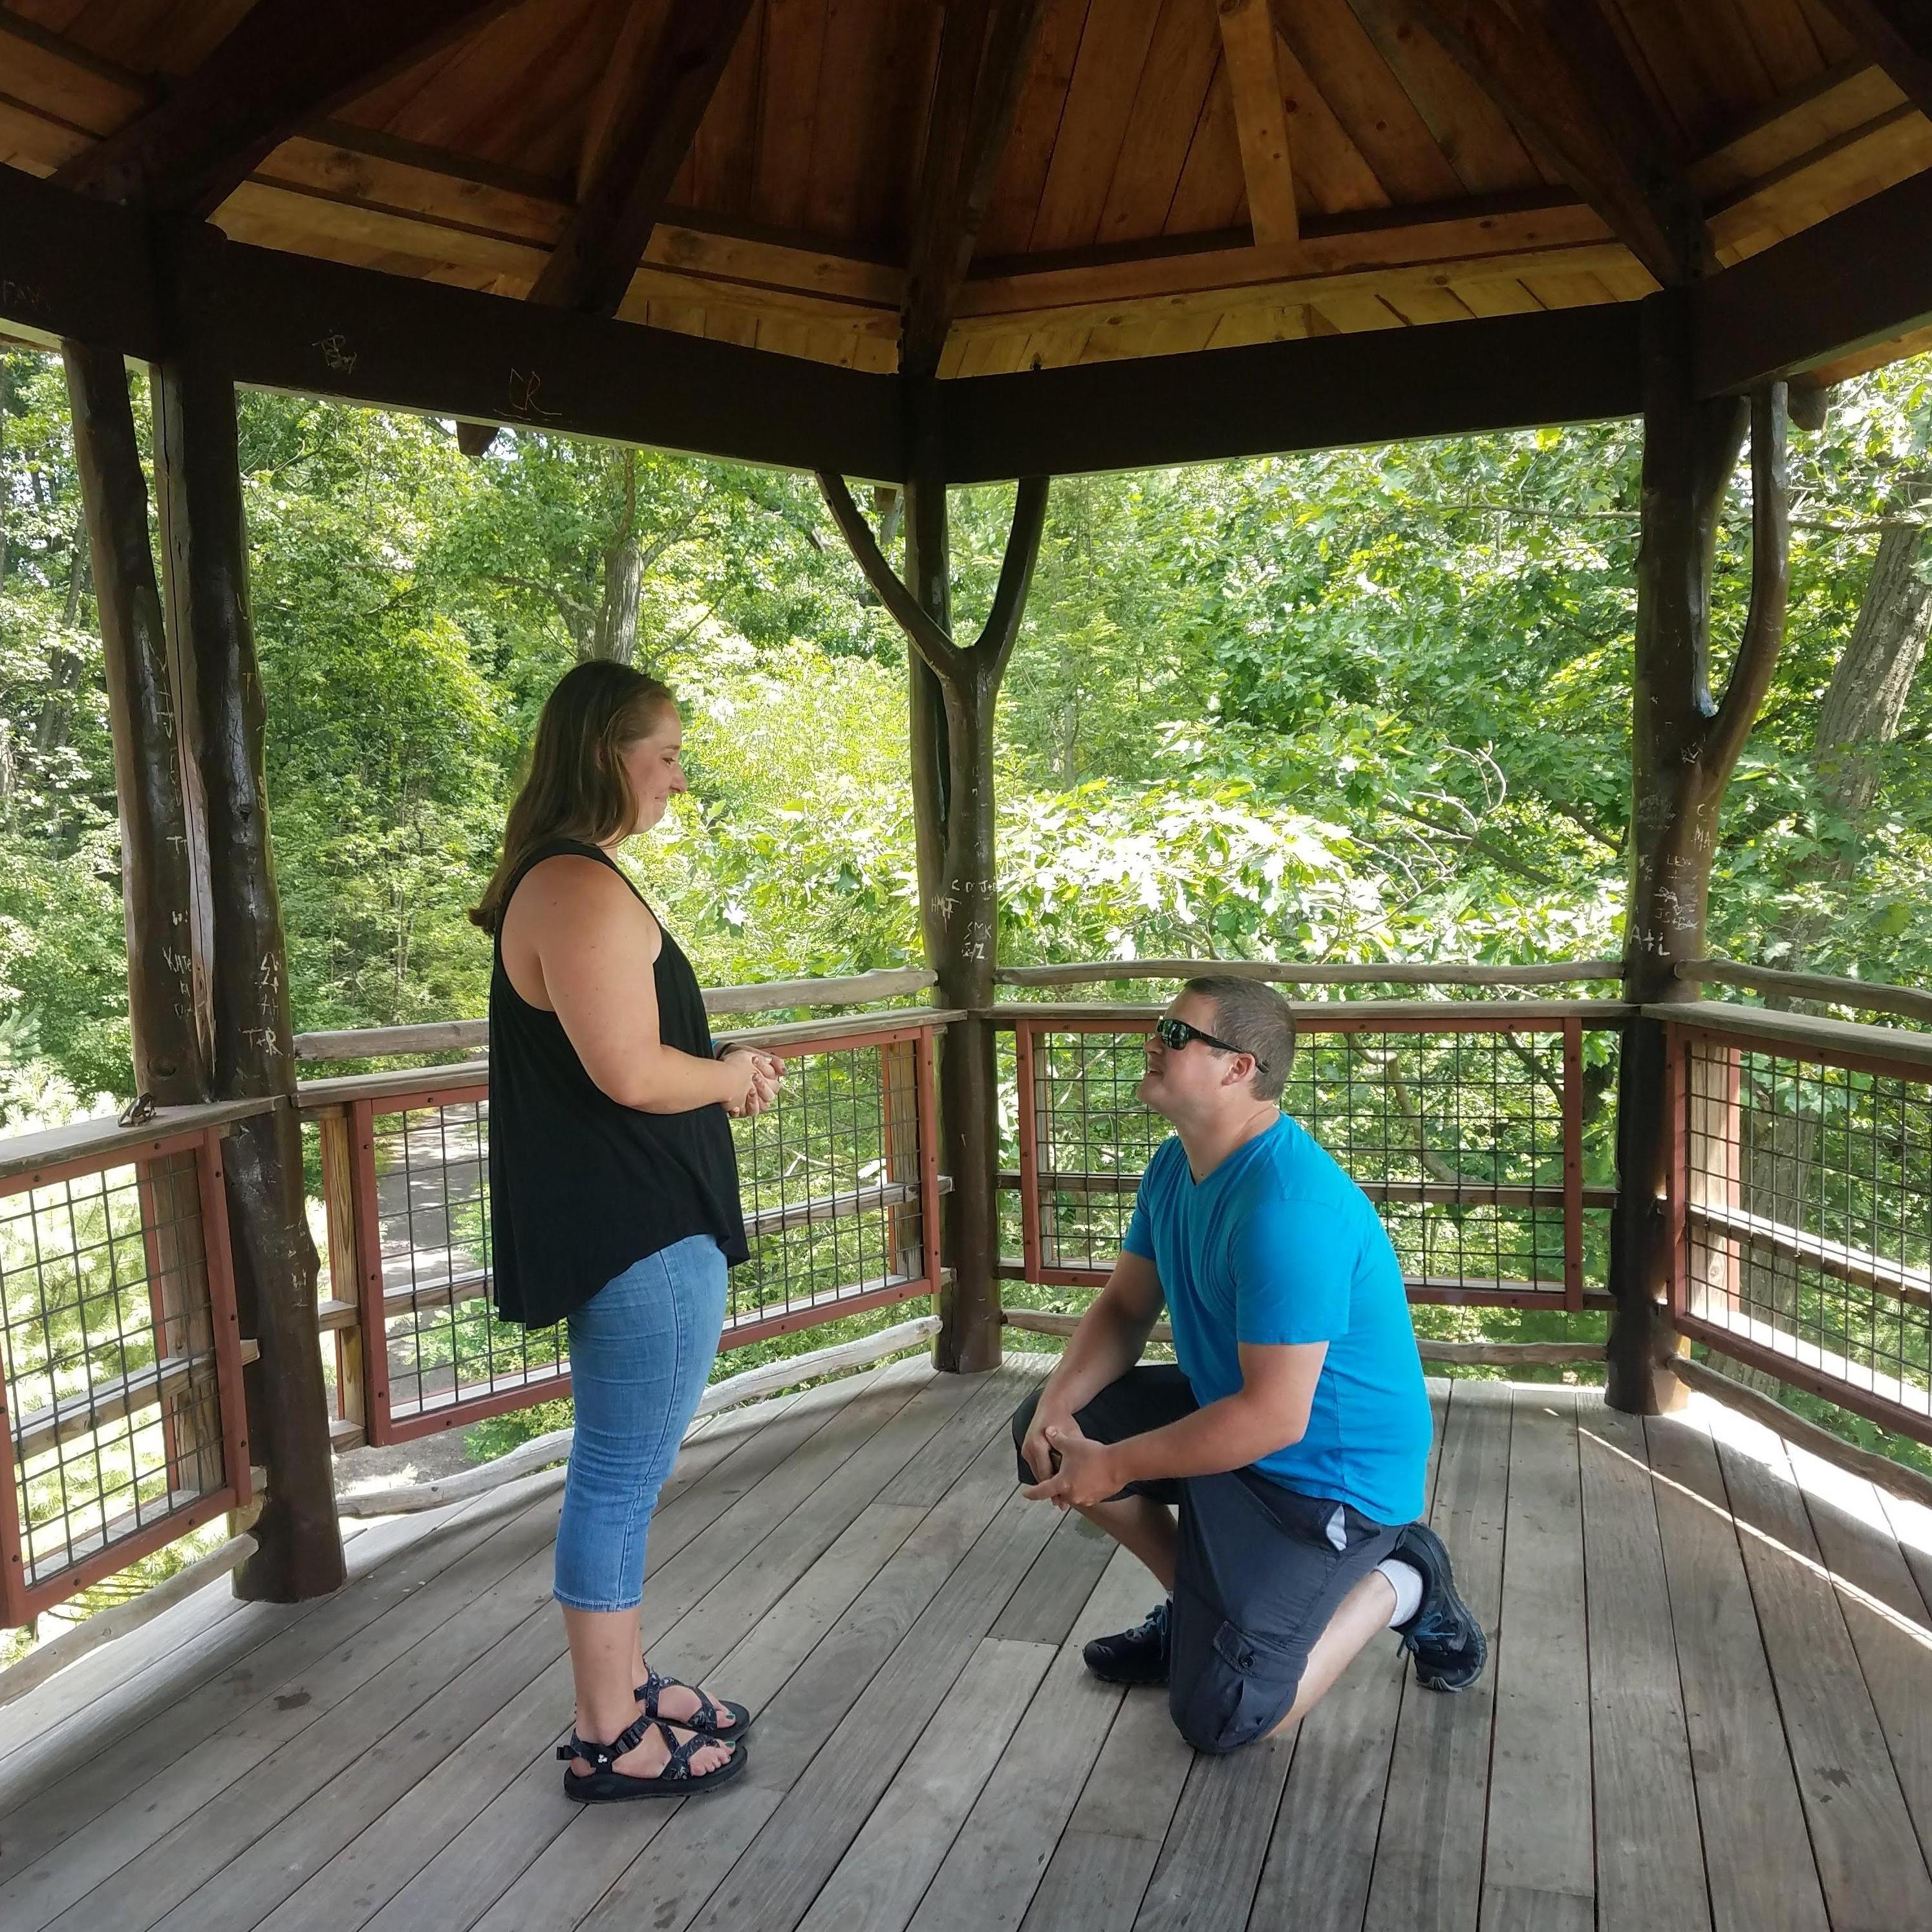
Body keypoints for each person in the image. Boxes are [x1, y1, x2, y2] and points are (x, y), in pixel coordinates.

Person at [1011, 976, 1485, 1755]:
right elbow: (1125, 1308)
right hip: (1231, 1424)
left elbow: (1274, 1417)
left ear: (1239, 1068)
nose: (1151, 1042)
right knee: (1055, 1432)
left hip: (1328, 1479)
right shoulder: (1176, 1166)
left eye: (1175, 1034)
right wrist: (1056, 1408)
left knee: (1224, 1716)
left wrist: (1117, 1464)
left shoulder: (1287, 1211)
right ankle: (1199, 1615)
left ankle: (1405, 1580)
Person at [472, 661, 782, 1802]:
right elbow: (629, 1071)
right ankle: (608, 1732)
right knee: (616, 1477)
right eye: (667, 754)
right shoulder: (577, 885)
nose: (678, 779)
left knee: (620, 1471)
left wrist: (716, 1069)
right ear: (608, 752)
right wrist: (730, 1076)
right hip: (639, 1233)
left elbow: (623, 1058)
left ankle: (630, 1685)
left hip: (631, 1226)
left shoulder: (567, 879)